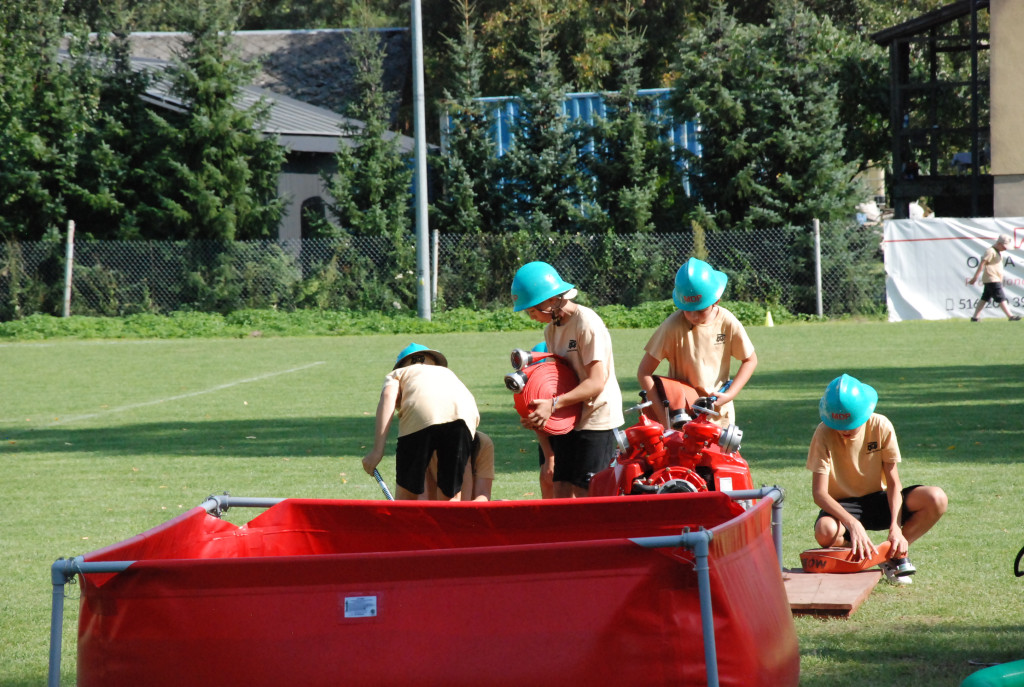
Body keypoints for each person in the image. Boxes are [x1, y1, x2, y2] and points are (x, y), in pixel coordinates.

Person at [807, 374, 948, 585]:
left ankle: (892, 555)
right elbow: (819, 493)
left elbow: (893, 483)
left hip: (878, 498)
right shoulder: (823, 432)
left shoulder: (881, 425)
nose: (844, 430)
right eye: (839, 424)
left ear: (864, 413)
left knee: (936, 498)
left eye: (850, 423)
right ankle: (869, 558)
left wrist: (896, 527)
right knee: (825, 531)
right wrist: (852, 524)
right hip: (843, 506)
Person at [511, 261, 623, 498]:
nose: (531, 317)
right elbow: (556, 378)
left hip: (596, 418)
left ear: (552, 300)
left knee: (587, 491)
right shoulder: (551, 330)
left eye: (533, 310)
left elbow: (596, 382)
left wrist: (551, 405)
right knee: (560, 486)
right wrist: (535, 412)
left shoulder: (587, 323)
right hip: (568, 416)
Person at [636, 257, 757, 428]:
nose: (693, 316)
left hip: (719, 417)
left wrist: (729, 395)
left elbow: (750, 360)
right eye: (687, 310)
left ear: (716, 301)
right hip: (682, 417)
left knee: (722, 456)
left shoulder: (727, 322)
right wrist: (665, 419)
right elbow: (644, 372)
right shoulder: (672, 326)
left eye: (700, 310)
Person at [362, 343, 480, 501]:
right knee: (450, 493)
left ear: (403, 363)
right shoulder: (446, 372)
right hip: (464, 417)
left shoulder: (399, 373)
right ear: (433, 361)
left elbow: (389, 395)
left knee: (406, 494)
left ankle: (404, 521)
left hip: (420, 415)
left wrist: (377, 451)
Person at [422, 431, 495, 501]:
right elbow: (421, 498)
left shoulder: (482, 442)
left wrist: (468, 509)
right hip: (433, 508)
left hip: (471, 508)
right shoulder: (423, 444)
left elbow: (483, 493)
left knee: (504, 502)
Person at [968, 233, 1020, 321]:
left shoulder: (998, 252)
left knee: (985, 298)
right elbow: (982, 264)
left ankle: (975, 317)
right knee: (1001, 297)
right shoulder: (990, 251)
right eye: (1004, 246)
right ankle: (1010, 316)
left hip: (994, 278)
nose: (1005, 249)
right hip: (992, 279)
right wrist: (975, 277)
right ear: (999, 243)